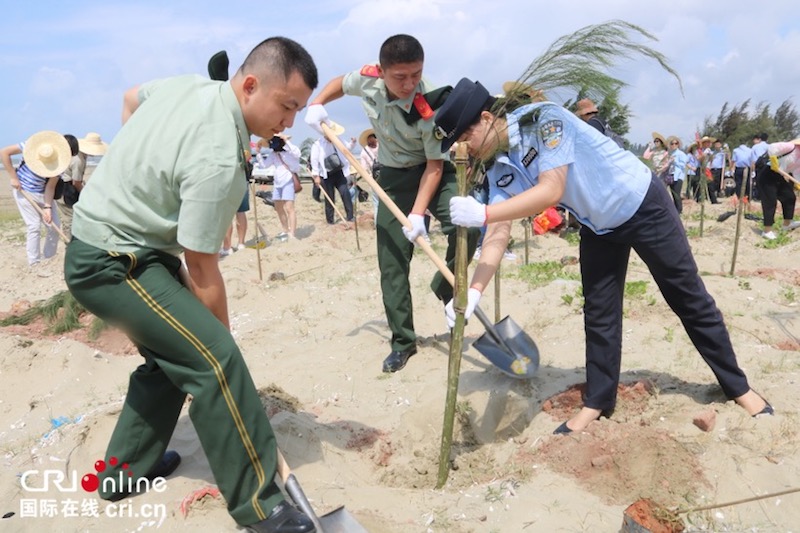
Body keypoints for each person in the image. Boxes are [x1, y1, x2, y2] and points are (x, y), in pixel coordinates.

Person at [64, 37, 318, 533]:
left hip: (132, 249)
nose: (288, 123)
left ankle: (122, 473)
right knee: (212, 361)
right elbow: (203, 269)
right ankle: (262, 508)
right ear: (249, 85)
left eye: (297, 111)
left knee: (172, 357)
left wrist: (133, 172)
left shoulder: (186, 87)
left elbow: (131, 97)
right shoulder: (221, 161)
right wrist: (222, 350)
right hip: (111, 262)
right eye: (286, 107)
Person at [434, 77, 773, 434]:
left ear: (486, 118)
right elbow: (499, 232)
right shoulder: (499, 168)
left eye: (464, 138)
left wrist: (483, 214)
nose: (465, 149)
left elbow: (552, 189)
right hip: (598, 226)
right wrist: (473, 292)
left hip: (641, 204)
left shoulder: (544, 121)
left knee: (686, 295)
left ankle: (739, 387)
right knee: (599, 312)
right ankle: (598, 400)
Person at [304, 34, 480, 373]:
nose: (409, 83)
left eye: (416, 74)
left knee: (467, 227)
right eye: (400, 77)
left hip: (434, 174)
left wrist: (417, 214)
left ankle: (445, 285)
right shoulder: (368, 80)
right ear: (382, 72)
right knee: (392, 259)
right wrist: (318, 103)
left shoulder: (430, 102)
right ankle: (403, 341)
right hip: (393, 178)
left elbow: (433, 165)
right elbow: (342, 82)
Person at [1, 131, 69, 269]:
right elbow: (4, 152)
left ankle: (50, 258)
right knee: (34, 226)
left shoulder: (60, 163)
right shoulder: (30, 145)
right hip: (24, 190)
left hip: (43, 193)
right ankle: (34, 262)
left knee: (54, 226)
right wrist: (13, 177)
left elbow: (50, 187)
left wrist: (47, 207)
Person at [753, 133, 800, 239]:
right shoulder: (791, 147)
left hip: (779, 175)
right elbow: (772, 147)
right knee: (770, 201)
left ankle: (787, 224)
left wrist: (798, 184)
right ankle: (767, 231)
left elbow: (797, 174)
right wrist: (774, 161)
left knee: (789, 197)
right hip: (767, 173)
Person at [309, 123, 354, 224]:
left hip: (338, 172)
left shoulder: (338, 140)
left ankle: (350, 217)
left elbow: (346, 148)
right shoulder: (318, 144)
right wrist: (316, 176)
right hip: (325, 175)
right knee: (330, 198)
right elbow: (314, 160)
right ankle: (330, 221)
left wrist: (352, 143)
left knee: (345, 193)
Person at [260, 133, 301, 240]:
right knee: (278, 207)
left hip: (288, 181)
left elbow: (297, 154)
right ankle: (285, 230)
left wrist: (287, 140)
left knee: (289, 208)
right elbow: (264, 165)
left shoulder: (290, 151)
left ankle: (292, 233)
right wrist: (258, 153)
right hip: (277, 183)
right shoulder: (273, 154)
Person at [358, 128, 381, 221]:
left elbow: (364, 170)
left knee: (376, 203)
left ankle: (377, 223)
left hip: (374, 179)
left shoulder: (364, 152)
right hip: (387, 176)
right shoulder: (382, 147)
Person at [666, 136, 687, 213]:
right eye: (672, 143)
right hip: (671, 175)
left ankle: (679, 209)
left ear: (678, 145)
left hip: (678, 176)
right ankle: (675, 209)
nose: (674, 145)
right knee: (673, 193)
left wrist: (675, 161)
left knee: (677, 193)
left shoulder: (681, 154)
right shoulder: (671, 154)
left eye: (676, 143)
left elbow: (683, 165)